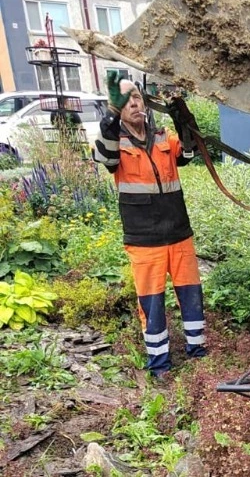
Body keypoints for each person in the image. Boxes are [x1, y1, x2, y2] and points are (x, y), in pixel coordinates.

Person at [92, 71, 207, 379]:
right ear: (117, 107)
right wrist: (110, 114)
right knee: (152, 303)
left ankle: (198, 353)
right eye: (125, 100)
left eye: (136, 97)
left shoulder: (162, 137)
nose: (133, 104)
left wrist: (182, 113)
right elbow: (104, 158)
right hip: (144, 241)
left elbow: (189, 152)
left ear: (144, 102)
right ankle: (159, 364)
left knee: (191, 296)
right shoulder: (114, 142)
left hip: (179, 234)